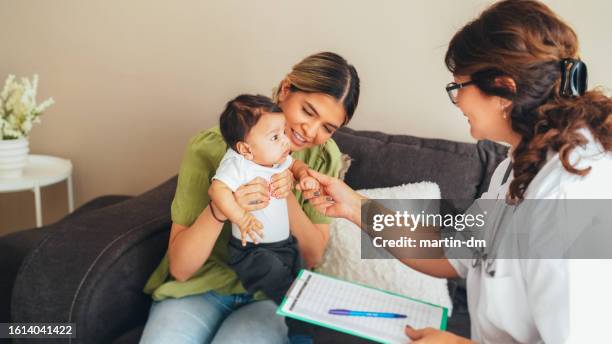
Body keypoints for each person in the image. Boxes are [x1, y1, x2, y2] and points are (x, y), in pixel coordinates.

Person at [300, 1, 611, 343]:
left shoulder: (569, 195)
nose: (458, 101)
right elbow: (448, 250)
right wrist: (354, 206)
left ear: (504, 90)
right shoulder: (515, 165)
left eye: (458, 87)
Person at [139, 52, 360, 344]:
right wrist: (222, 210)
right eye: (308, 111)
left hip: (267, 294)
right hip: (201, 287)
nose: (310, 131)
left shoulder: (321, 158)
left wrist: (286, 191)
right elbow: (180, 270)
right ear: (285, 90)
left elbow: (312, 256)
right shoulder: (212, 149)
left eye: (327, 128)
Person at [209, 94, 320, 340]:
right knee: (290, 292)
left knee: (299, 280)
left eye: (283, 132)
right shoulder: (237, 164)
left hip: (285, 245)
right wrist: (240, 217)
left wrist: (304, 176)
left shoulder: (277, 158)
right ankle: (301, 315)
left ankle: (300, 333)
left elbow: (295, 166)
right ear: (246, 148)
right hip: (252, 251)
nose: (285, 141)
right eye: (275, 136)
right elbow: (216, 190)